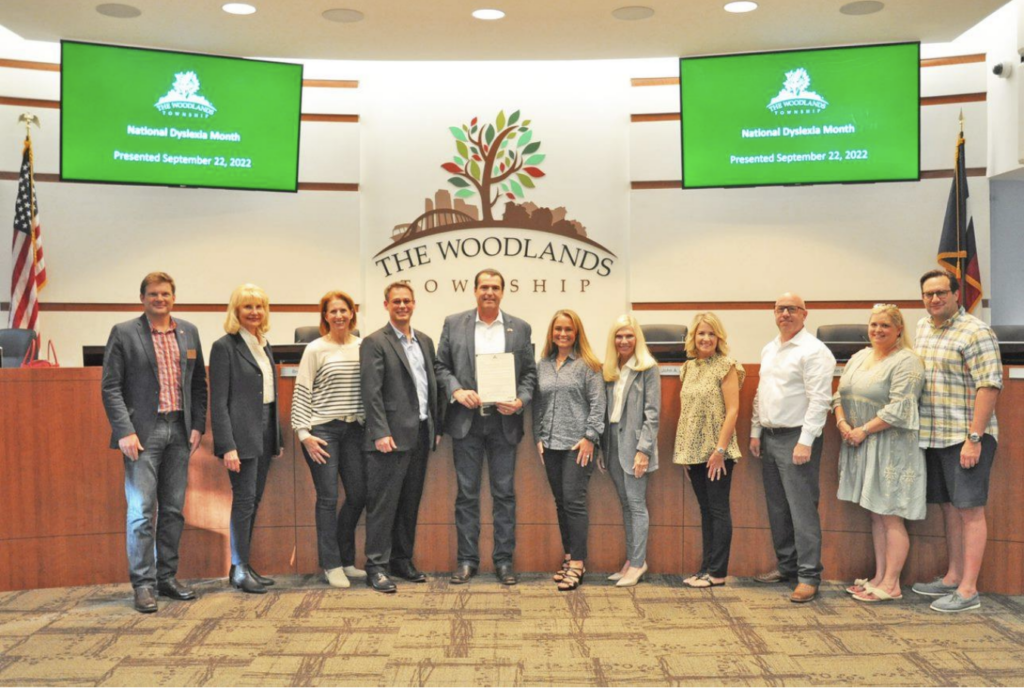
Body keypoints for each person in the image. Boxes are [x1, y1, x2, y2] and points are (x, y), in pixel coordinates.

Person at [101, 272, 207, 613]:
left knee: (174, 510)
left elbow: (198, 385)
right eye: (152, 294)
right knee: (142, 511)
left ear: (173, 297)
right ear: (142, 298)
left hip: (180, 430)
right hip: (142, 434)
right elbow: (111, 387)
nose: (159, 299)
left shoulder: (189, 332)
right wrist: (124, 431)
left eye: (165, 294)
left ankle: (166, 578)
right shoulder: (124, 332)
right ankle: (143, 585)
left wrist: (197, 427)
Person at [435, 268, 537, 586]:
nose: (489, 292)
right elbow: (441, 366)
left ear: (502, 292)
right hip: (467, 422)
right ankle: (467, 561)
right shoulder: (454, 323)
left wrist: (520, 400)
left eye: (495, 287)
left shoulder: (519, 328)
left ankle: (504, 562)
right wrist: (456, 391)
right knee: (467, 495)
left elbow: (529, 375)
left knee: (504, 494)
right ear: (474, 290)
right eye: (484, 287)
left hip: (504, 422)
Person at [911, 269, 1002, 613]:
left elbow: (989, 385)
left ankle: (968, 591)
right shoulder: (922, 327)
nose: (934, 299)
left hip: (965, 438)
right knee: (949, 509)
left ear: (956, 294)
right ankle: (952, 577)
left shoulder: (976, 332)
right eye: (928, 294)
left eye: (941, 293)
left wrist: (974, 438)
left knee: (970, 511)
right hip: (933, 437)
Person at [833, 304, 925, 603]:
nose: (877, 330)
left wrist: (863, 430)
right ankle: (878, 577)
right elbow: (838, 395)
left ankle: (892, 584)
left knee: (890, 516)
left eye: (885, 325)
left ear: (899, 329)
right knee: (876, 515)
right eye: (874, 325)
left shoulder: (908, 361)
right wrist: (843, 422)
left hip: (891, 448)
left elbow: (900, 407)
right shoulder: (860, 356)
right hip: (860, 443)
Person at [750, 293, 836, 603]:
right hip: (771, 437)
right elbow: (762, 393)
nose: (785, 314)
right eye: (780, 309)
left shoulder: (814, 351)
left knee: (802, 511)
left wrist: (805, 441)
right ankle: (787, 567)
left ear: (804, 314)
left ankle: (809, 576)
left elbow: (820, 400)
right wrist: (756, 431)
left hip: (797, 438)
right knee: (778, 508)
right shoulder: (770, 348)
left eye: (792, 309)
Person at [360, 283, 442, 593]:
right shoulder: (374, 342)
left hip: (420, 433)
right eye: (396, 301)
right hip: (389, 438)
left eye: (407, 301)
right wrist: (380, 431)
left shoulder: (424, 341)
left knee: (409, 502)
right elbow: (372, 392)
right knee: (383, 505)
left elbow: (430, 386)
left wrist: (436, 428)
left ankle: (401, 560)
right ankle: (376, 566)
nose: (402, 306)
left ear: (414, 304)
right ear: (386, 305)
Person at [209, 284, 282, 594]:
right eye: (248, 307)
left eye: (259, 306)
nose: (254, 312)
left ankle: (243, 565)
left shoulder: (264, 344)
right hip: (241, 435)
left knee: (253, 500)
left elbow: (269, 394)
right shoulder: (225, 346)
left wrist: (274, 437)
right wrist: (227, 446)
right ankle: (239, 568)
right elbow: (219, 402)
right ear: (236, 311)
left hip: (264, 430)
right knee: (243, 501)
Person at [292, 290, 367, 589]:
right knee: (327, 498)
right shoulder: (315, 348)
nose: (338, 316)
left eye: (343, 310)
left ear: (352, 314)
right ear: (325, 316)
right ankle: (332, 564)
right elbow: (302, 391)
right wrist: (303, 434)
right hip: (321, 432)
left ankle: (346, 560)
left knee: (359, 494)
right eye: (332, 311)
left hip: (354, 430)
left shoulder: (364, 346)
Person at [534, 309, 605, 591]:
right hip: (550, 444)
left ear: (577, 334)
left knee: (574, 502)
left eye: (568, 330)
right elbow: (538, 403)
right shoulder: (543, 364)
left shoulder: (589, 365)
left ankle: (577, 563)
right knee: (561, 502)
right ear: (552, 333)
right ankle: (568, 556)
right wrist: (539, 436)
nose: (563, 334)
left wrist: (590, 437)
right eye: (558, 329)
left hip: (578, 446)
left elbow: (598, 405)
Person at [673, 312, 745, 589]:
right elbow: (688, 413)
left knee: (718, 510)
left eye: (711, 334)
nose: (705, 338)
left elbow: (733, 410)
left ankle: (717, 573)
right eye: (701, 333)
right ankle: (705, 569)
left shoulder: (726, 366)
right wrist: (684, 454)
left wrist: (720, 450)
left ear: (719, 338)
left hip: (718, 453)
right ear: (693, 337)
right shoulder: (688, 368)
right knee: (705, 511)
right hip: (693, 452)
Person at [599, 315, 660, 588]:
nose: (624, 341)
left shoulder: (648, 368)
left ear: (638, 339)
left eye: (629, 336)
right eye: (619, 336)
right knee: (625, 504)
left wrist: (644, 450)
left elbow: (652, 415)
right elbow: (607, 413)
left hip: (635, 446)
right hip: (612, 443)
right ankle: (630, 561)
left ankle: (638, 563)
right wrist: (602, 448)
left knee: (636, 505)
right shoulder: (610, 369)